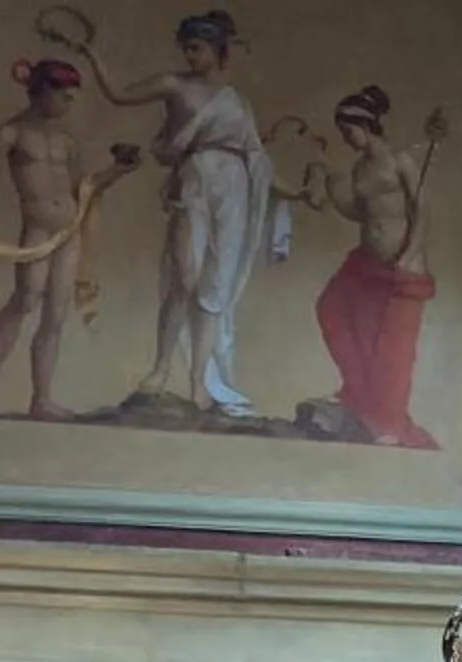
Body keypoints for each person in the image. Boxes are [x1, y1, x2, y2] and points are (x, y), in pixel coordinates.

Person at [78, 11, 273, 416]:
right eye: (186, 47)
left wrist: (290, 192)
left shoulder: (235, 99)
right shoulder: (174, 84)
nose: (189, 55)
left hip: (234, 185)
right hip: (195, 178)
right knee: (184, 276)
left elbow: (256, 153)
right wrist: (91, 52)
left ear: (218, 49)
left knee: (213, 286)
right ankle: (161, 368)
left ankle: (198, 381)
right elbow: (118, 93)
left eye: (197, 47)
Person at [0, 59, 140, 419]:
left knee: (55, 314)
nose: (68, 104)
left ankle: (42, 398)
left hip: (68, 231)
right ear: (43, 92)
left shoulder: (67, 141)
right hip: (38, 231)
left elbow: (85, 187)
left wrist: (119, 170)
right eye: (64, 96)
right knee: (25, 300)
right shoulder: (11, 132)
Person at [284, 86, 450, 447]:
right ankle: (359, 393)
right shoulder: (360, 167)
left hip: (402, 263)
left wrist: (413, 250)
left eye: (348, 130)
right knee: (332, 309)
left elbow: (422, 209)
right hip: (367, 261)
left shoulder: (401, 160)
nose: (346, 138)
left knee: (393, 343)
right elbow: (358, 212)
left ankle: (387, 421)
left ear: (366, 124)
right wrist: (329, 178)